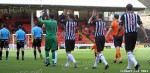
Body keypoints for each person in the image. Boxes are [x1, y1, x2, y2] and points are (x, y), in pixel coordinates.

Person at [117, 4, 148, 70]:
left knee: (128, 51)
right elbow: (141, 25)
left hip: (128, 34)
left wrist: (117, 32)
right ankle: (128, 68)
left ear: (126, 8)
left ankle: (136, 63)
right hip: (134, 34)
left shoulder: (123, 16)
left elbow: (120, 26)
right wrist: (145, 34)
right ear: (132, 8)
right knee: (131, 51)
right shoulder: (136, 16)